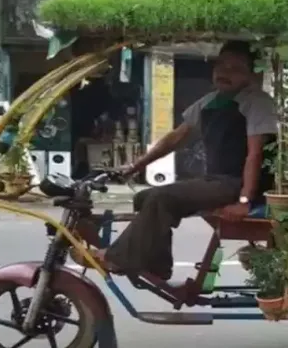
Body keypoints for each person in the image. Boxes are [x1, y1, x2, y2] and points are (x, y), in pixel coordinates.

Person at [74, 40, 277, 280]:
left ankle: (116, 258)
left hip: (237, 183)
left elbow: (256, 153)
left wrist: (245, 200)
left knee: (162, 198)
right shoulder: (211, 101)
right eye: (221, 65)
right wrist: (134, 167)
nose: (225, 73)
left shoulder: (256, 102)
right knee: (144, 197)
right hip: (217, 180)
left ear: (252, 74)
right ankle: (158, 265)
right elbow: (175, 138)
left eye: (236, 68)